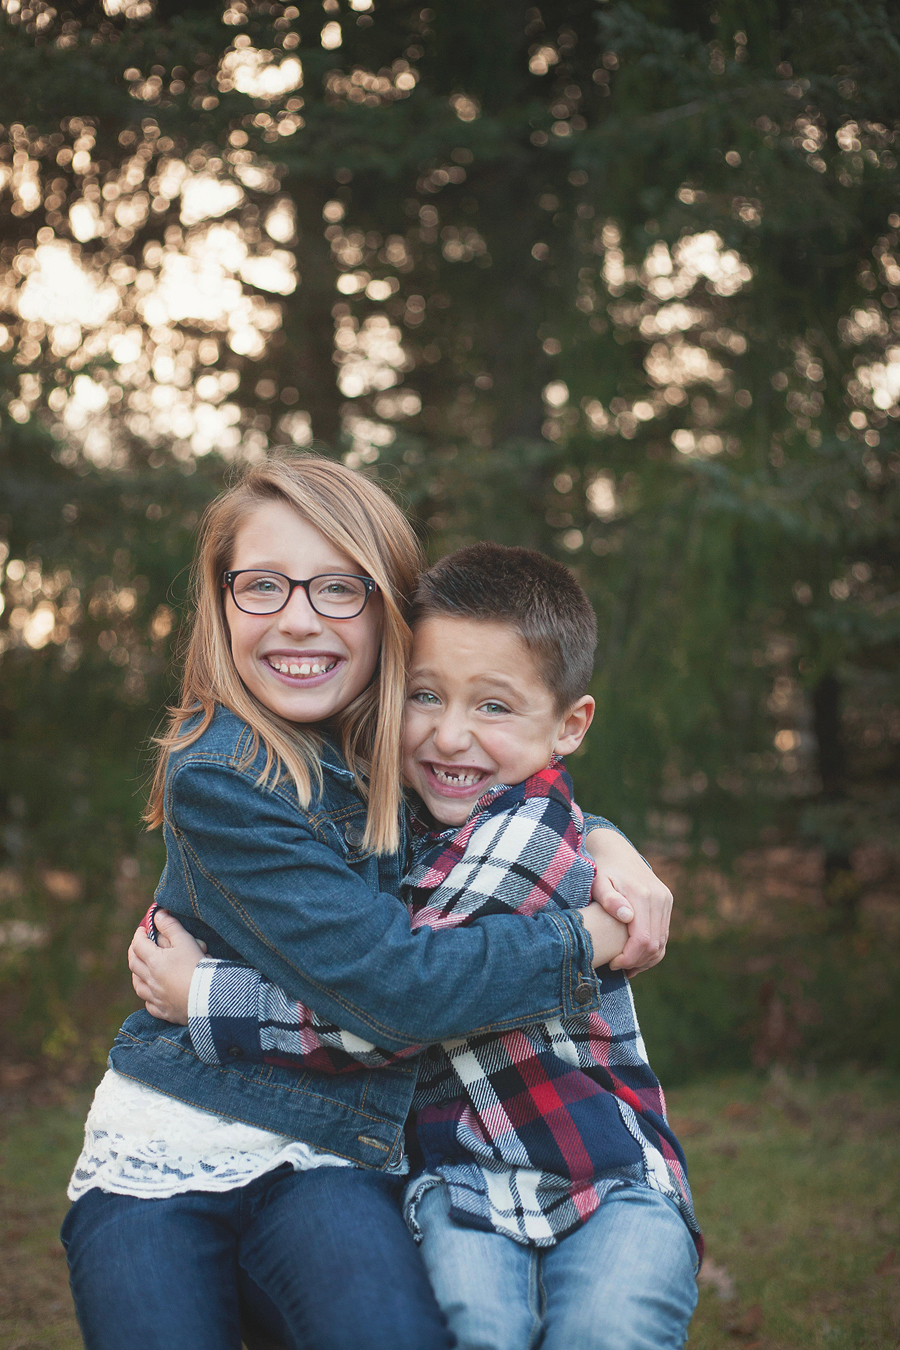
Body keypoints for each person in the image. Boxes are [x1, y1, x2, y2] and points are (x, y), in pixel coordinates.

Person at [63, 454, 671, 1350]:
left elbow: (505, 800)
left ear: (389, 611)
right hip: (176, 1138)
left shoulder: (401, 736)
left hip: (334, 1151)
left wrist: (607, 840)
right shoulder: (222, 773)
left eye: (338, 589)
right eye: (262, 586)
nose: (298, 619)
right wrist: (586, 935)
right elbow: (396, 988)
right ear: (222, 601)